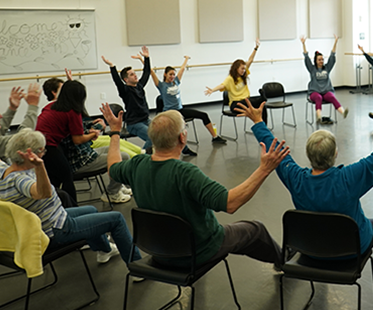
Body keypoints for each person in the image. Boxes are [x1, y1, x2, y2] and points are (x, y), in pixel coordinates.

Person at [101, 103, 287, 269]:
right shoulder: (185, 173)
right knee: (255, 229)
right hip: (197, 252)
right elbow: (230, 203)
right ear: (183, 138)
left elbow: (112, 168)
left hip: (158, 251)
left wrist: (115, 132)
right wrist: (264, 169)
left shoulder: (137, 165)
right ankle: (284, 262)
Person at [237, 95, 373, 255]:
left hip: (310, 248)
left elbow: (274, 149)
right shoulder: (348, 178)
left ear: (308, 155)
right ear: (335, 153)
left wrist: (258, 122)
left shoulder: (295, 178)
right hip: (350, 250)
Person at [0, 119, 140, 265]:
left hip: (51, 218)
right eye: (43, 151)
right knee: (116, 219)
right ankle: (137, 265)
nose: (45, 154)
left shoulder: (3, 169)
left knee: (91, 210)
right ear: (32, 154)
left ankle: (104, 250)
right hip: (56, 230)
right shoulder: (21, 180)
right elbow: (42, 193)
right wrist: (40, 166)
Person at [37, 80, 132, 204]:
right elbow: (78, 139)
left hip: (44, 144)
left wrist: (90, 126)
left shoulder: (53, 107)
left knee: (117, 150)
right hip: (73, 157)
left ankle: (117, 187)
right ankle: (112, 192)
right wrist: (93, 133)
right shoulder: (72, 112)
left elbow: (76, 129)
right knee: (122, 157)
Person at [150, 55, 226, 145]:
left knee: (204, 115)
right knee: (179, 125)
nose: (172, 76)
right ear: (165, 74)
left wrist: (186, 59)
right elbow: (151, 72)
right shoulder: (161, 85)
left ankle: (215, 137)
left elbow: (182, 69)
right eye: (170, 74)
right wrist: (144, 60)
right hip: (170, 113)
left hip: (180, 110)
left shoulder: (176, 82)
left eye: (174, 74)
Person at [102, 46, 154, 153]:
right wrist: (112, 66)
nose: (135, 75)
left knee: (163, 134)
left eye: (134, 73)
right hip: (134, 123)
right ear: (126, 79)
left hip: (146, 120)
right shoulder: (125, 90)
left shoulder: (139, 86)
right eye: (131, 74)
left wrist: (147, 58)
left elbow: (146, 73)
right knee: (153, 138)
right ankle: (140, 158)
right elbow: (117, 81)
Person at [205, 39, 268, 126]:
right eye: (242, 68)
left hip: (246, 101)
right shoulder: (230, 79)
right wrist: (212, 90)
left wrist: (256, 48)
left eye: (244, 68)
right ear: (236, 68)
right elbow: (222, 85)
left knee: (262, 105)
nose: (243, 70)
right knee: (250, 102)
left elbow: (250, 60)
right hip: (236, 105)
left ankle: (265, 126)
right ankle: (262, 98)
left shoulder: (243, 76)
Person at [301, 34, 347, 124]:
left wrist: (336, 42)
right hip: (314, 92)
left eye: (322, 59)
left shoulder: (327, 68)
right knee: (318, 98)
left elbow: (332, 56)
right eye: (319, 60)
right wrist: (303, 44)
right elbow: (306, 57)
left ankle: (343, 112)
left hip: (326, 91)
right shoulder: (312, 69)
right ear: (316, 61)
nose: (321, 61)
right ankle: (319, 116)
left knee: (331, 97)